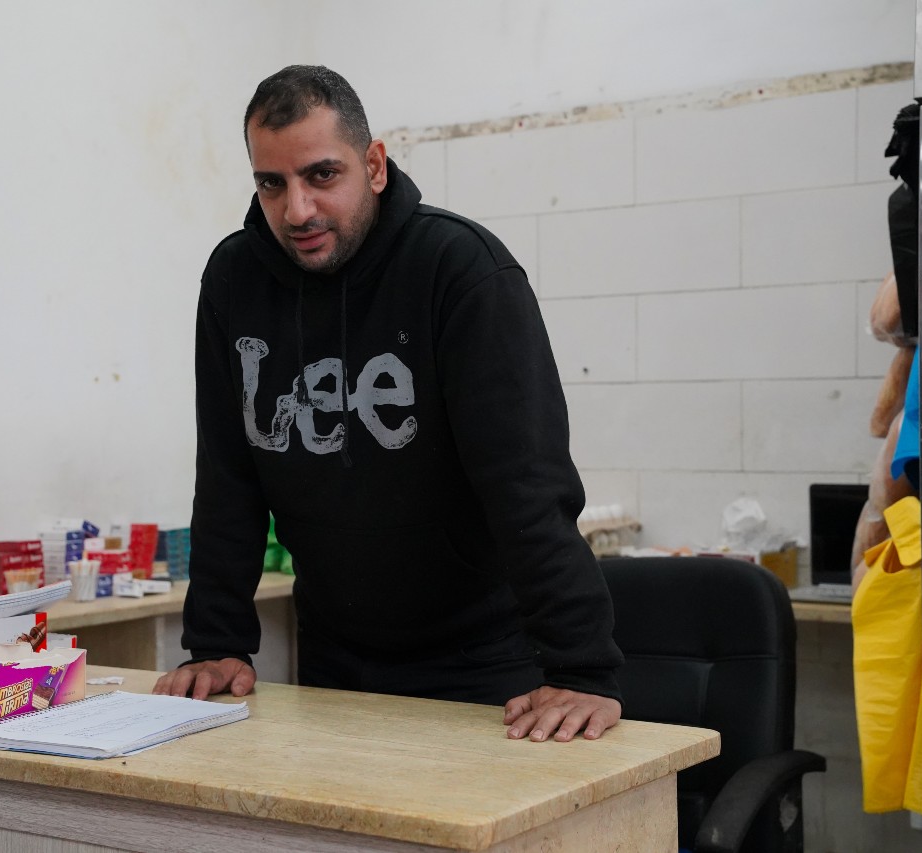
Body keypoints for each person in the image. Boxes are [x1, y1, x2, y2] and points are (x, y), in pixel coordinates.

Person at [153, 65, 624, 742]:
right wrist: (216, 642)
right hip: (336, 660)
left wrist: (583, 667)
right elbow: (229, 476)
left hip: (484, 662)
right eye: (271, 183)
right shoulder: (233, 281)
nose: (298, 211)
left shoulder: (461, 273)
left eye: (322, 175)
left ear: (373, 165)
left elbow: (526, 484)